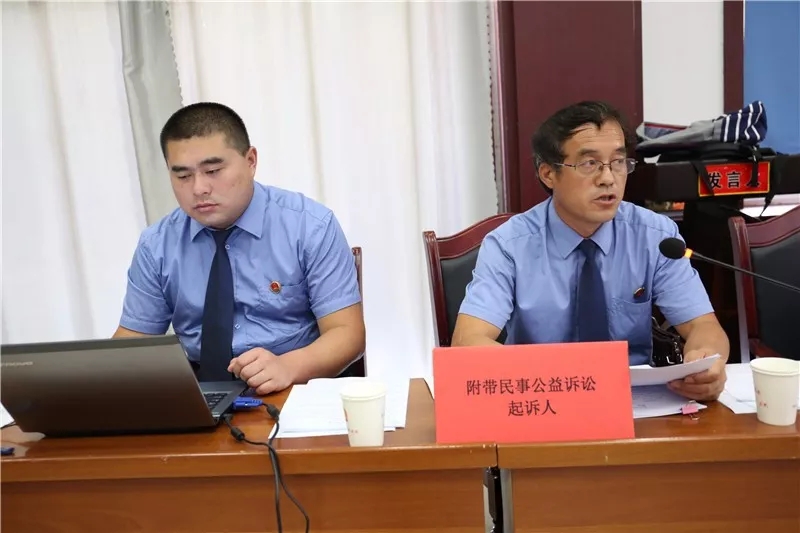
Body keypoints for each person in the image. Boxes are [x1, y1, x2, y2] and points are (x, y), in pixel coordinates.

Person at [452, 101, 729, 401]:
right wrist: (558, 380)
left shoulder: (655, 237)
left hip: (635, 401)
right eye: (589, 164)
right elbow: (469, 342)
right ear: (548, 173)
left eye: (618, 162)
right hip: (543, 397)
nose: (608, 178)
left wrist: (706, 362)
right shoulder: (509, 246)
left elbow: (703, 326)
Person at [114, 102, 366, 394]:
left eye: (213, 170)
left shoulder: (309, 226)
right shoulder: (157, 244)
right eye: (182, 176)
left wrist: (289, 367)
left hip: (296, 387)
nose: (198, 188)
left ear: (251, 161)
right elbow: (134, 343)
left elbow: (347, 333)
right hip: (200, 393)